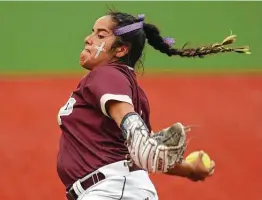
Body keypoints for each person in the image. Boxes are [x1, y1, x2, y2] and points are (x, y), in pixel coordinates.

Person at [56, 10, 250, 200]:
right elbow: (143, 150)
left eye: (100, 35)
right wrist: (189, 170)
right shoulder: (131, 90)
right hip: (122, 189)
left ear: (122, 49)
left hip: (112, 191)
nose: (88, 39)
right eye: (92, 32)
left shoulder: (106, 74)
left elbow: (129, 123)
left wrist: (135, 130)